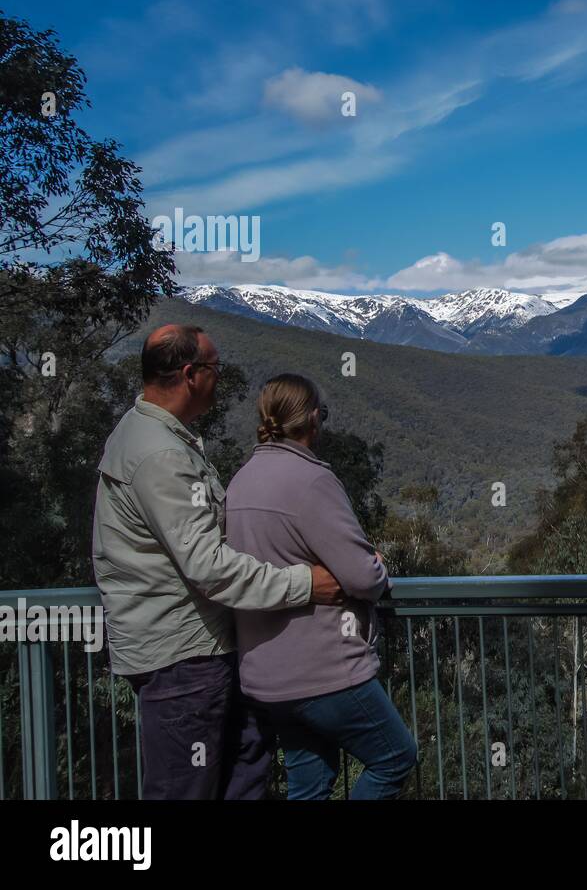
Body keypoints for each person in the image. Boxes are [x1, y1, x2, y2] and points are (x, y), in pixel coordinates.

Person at [92, 324, 345, 800]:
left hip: (194, 652)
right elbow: (208, 566)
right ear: (191, 374)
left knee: (243, 766)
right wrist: (305, 584)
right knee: (186, 787)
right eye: (215, 369)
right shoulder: (161, 456)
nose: (219, 379)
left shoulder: (148, 436)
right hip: (183, 657)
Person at [227, 373, 417, 799]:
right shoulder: (312, 481)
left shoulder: (241, 481)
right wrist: (376, 567)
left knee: (308, 786)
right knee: (395, 756)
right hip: (323, 673)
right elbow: (362, 578)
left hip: (266, 677)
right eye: (323, 414)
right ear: (313, 418)